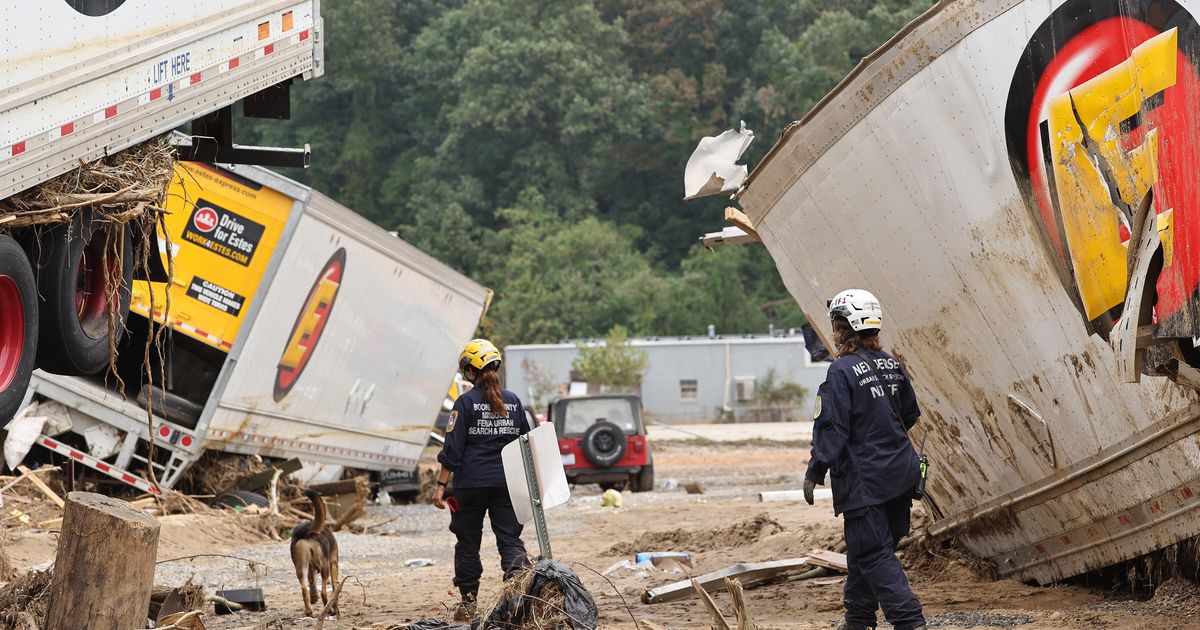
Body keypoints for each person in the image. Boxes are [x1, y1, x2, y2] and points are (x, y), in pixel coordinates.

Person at [803, 289, 927, 630]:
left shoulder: (841, 372)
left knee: (873, 554)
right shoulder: (890, 363)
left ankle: (909, 622)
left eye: (836, 324)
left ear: (845, 328)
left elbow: (832, 428)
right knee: (864, 551)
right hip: (901, 475)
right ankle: (858, 620)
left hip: (866, 482)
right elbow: (909, 414)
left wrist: (815, 470)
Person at [433, 338, 531, 619]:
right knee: (510, 540)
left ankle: (468, 603)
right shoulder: (513, 401)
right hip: (507, 484)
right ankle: (517, 601)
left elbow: (452, 449)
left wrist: (440, 486)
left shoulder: (464, 402)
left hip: (470, 485)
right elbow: (526, 443)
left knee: (467, 542)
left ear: (471, 370)